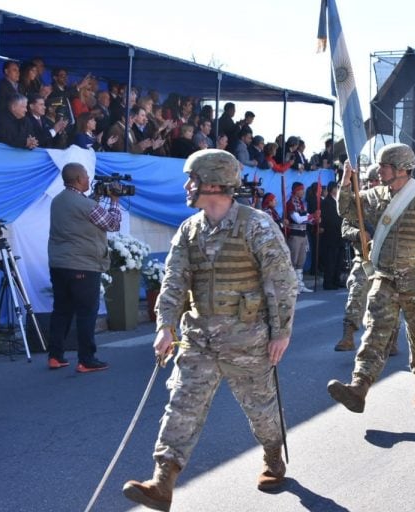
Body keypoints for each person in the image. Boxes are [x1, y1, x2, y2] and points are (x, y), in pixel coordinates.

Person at [122, 150, 298, 510]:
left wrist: (281, 332)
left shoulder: (256, 225)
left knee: (261, 410)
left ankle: (273, 456)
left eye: (193, 179)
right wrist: (165, 326)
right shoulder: (190, 230)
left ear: (215, 183)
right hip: (199, 338)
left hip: (247, 339)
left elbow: (280, 281)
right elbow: (173, 281)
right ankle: (162, 482)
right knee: (181, 406)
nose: (188, 186)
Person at [327, 143, 415, 413]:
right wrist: (345, 183)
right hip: (385, 279)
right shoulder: (375, 196)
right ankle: (359, 387)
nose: (379, 171)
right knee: (375, 334)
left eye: (384, 166)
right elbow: (346, 211)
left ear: (401, 169)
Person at [47, 162, 121, 372]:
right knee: (87, 312)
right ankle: (86, 359)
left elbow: (82, 213)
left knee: (61, 309)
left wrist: (96, 197)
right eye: (87, 176)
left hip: (59, 264)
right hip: (83, 265)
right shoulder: (84, 204)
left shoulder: (58, 200)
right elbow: (112, 224)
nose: (90, 179)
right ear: (79, 179)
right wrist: (114, 201)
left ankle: (55, 355)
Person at [333, 164, 400, 356]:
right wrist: (358, 233)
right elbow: (345, 227)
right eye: (370, 181)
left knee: (389, 301)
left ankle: (392, 337)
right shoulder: (358, 200)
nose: (373, 184)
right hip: (364, 260)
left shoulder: (392, 201)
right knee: (356, 292)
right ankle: (348, 336)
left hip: (386, 261)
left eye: (376, 181)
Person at [286, 181, 318, 293]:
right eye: (301, 189)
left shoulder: (301, 203)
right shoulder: (290, 203)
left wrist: (314, 219)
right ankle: (292, 285)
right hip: (295, 235)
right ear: (296, 190)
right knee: (293, 260)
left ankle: (299, 284)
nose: (303, 192)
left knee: (301, 261)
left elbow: (305, 217)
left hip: (303, 235)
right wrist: (312, 216)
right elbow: (298, 219)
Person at [320, 181, 344, 290]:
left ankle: (336, 279)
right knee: (331, 260)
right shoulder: (326, 202)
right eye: (336, 187)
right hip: (331, 235)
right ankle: (328, 282)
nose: (338, 189)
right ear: (332, 189)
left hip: (340, 234)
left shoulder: (338, 201)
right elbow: (328, 218)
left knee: (339, 259)